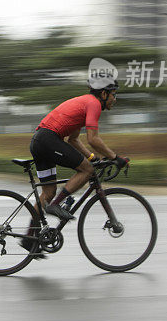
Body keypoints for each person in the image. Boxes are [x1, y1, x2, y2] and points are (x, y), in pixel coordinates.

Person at [20, 76, 129, 254]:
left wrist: (93, 158)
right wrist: (116, 157)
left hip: (39, 140)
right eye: (113, 95)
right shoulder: (93, 104)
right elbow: (93, 139)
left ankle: (29, 238)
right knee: (86, 170)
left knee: (48, 192)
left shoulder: (83, 103)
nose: (114, 100)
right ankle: (56, 205)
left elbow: (74, 139)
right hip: (48, 140)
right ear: (104, 93)